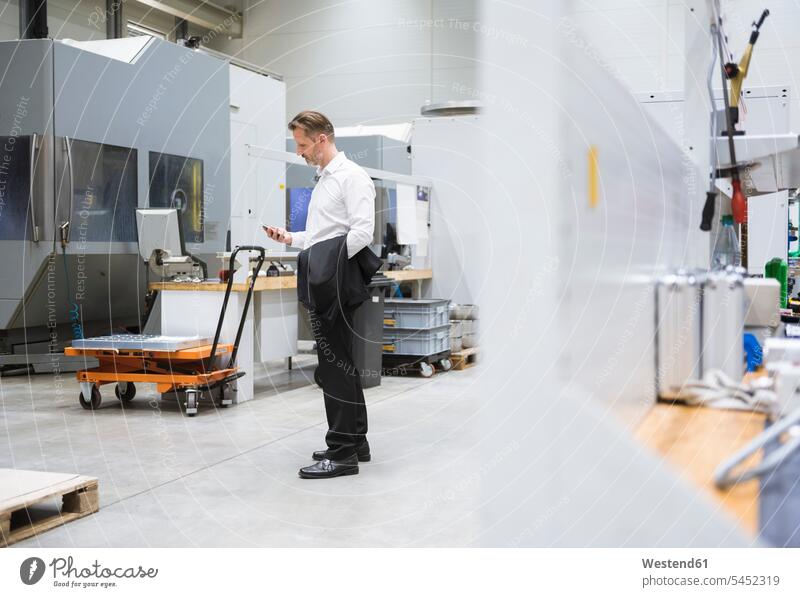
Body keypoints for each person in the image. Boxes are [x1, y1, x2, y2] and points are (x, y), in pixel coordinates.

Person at [264, 110, 377, 479]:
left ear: (322, 140)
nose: (300, 152)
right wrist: (291, 239)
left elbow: (362, 233)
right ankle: (356, 442)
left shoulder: (352, 177)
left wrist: (326, 264)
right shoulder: (324, 179)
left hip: (335, 282)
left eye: (302, 144)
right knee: (340, 361)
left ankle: (341, 452)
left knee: (334, 365)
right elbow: (321, 235)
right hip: (326, 276)